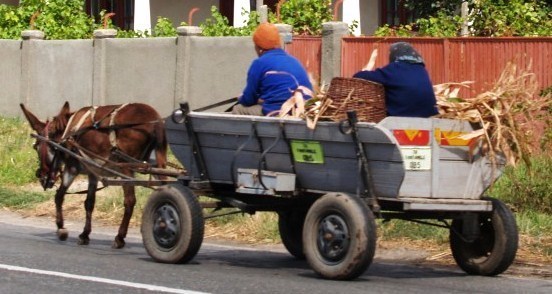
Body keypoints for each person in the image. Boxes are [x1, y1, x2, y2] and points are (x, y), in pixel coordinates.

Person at [232, 23, 313, 116]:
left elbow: (248, 99)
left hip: (278, 112)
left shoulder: (259, 63)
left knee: (238, 109)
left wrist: (241, 98)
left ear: (259, 48)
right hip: (304, 111)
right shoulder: (294, 61)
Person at [353, 42, 438, 118]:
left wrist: (365, 69)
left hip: (401, 115)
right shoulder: (421, 70)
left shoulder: (395, 68)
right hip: (427, 115)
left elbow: (359, 76)